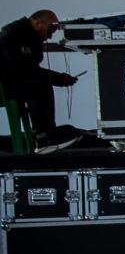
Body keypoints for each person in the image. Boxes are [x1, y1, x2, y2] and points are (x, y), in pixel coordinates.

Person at [0, 9, 80, 153]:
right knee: (37, 87)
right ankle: (43, 138)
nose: (49, 36)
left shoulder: (31, 39)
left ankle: (47, 133)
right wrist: (59, 79)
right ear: (37, 23)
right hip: (4, 85)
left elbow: (30, 70)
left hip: (11, 81)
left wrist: (57, 79)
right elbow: (22, 70)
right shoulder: (10, 35)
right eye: (49, 30)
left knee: (40, 84)